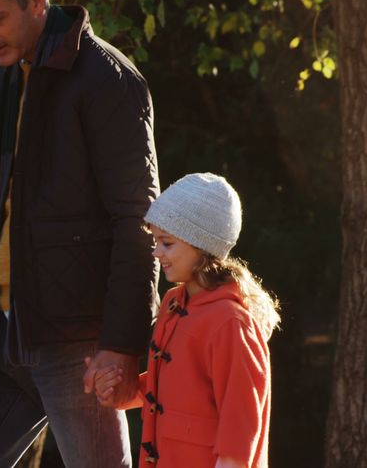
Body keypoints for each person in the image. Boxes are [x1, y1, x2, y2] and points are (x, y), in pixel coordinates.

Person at [0, 0, 160, 467]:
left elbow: (138, 221)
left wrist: (121, 343)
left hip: (77, 348)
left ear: (36, 0)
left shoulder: (108, 80)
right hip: (0, 336)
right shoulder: (1, 74)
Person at [88, 173, 280, 468]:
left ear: (200, 246)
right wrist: (118, 389)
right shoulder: (173, 303)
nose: (156, 252)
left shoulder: (231, 322)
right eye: (155, 241)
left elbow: (241, 419)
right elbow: (168, 385)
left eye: (166, 243)